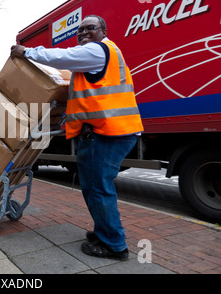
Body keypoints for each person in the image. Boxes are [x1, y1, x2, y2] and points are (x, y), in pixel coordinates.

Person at [11, 15, 144, 261]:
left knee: (97, 189)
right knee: (97, 187)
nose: (83, 33)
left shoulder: (97, 51)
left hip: (106, 133)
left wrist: (26, 51)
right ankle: (105, 232)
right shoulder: (109, 53)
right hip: (114, 130)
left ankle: (114, 245)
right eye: (80, 31)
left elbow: (61, 57)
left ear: (103, 30)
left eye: (90, 28)